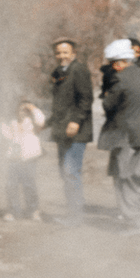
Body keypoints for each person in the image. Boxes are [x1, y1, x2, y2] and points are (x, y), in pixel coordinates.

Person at [98, 38, 140, 235]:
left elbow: (109, 105)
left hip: (126, 136)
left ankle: (135, 223)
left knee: (123, 178)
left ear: (118, 62)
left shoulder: (120, 79)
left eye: (112, 64)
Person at [47, 37, 93, 225]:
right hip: (61, 131)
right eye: (58, 52)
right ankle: (73, 213)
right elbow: (59, 105)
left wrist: (75, 121)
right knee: (64, 172)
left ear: (73, 53)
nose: (61, 56)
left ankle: (76, 217)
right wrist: (47, 123)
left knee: (71, 172)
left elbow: (86, 98)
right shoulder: (58, 73)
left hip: (76, 132)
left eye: (65, 52)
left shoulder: (79, 70)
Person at [0, 99, 46, 222]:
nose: (23, 112)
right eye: (20, 110)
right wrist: (2, 124)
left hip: (29, 157)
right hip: (14, 157)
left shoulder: (33, 121)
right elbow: (8, 136)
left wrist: (32, 108)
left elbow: (41, 120)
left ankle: (33, 210)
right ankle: (13, 210)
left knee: (29, 185)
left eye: (26, 110)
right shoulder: (13, 122)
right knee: (11, 185)